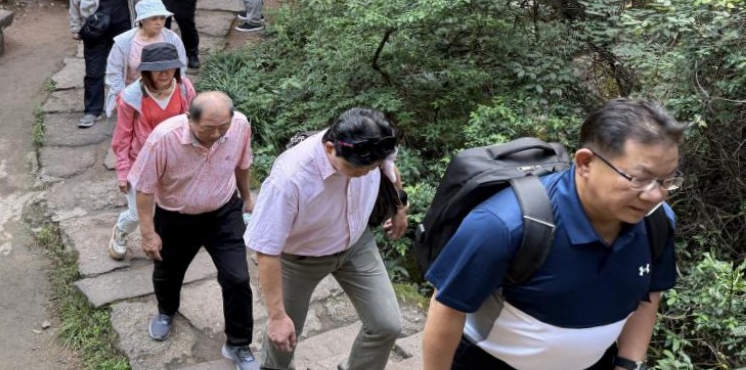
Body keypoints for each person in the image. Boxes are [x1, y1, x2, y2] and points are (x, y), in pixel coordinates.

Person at [421, 99, 684, 370]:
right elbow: (448, 308)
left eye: (667, 181)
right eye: (639, 179)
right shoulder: (503, 225)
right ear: (585, 163)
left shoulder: (656, 222)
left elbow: (649, 295)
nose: (655, 195)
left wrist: (628, 364)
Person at [245, 108, 408, 370]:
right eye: (356, 170)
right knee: (284, 336)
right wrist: (276, 316)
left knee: (387, 325)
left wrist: (400, 207)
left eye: (371, 169)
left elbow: (389, 169)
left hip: (357, 245)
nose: (365, 174)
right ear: (330, 148)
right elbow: (266, 249)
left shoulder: (376, 146)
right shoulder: (289, 178)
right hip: (300, 259)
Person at [130, 91, 259, 370]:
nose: (216, 135)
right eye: (208, 129)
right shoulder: (164, 139)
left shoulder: (239, 126)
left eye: (222, 128)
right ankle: (166, 311)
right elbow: (143, 187)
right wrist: (147, 232)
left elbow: (242, 163)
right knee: (167, 272)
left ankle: (238, 343)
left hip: (224, 212)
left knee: (237, 279)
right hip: (176, 217)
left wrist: (246, 197)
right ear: (190, 119)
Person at [107, 42, 197, 261]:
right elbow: (122, 137)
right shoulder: (131, 97)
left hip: (174, 160)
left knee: (171, 207)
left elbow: (194, 124)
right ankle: (120, 231)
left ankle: (163, 240)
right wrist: (122, 171)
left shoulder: (185, 88)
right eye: (158, 68)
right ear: (146, 70)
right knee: (137, 212)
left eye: (170, 67)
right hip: (142, 161)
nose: (165, 73)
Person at [69, 0, 143, 128]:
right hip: (95, 33)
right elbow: (74, 4)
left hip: (124, 33)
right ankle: (92, 110)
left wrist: (143, 26)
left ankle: (130, 106)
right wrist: (75, 28)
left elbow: (139, 2)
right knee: (94, 72)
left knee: (130, 71)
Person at [104, 0, 188, 113]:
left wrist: (178, 90)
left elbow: (181, 67)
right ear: (142, 20)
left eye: (162, 18)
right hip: (134, 94)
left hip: (165, 93)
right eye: (154, 18)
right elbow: (114, 72)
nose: (159, 22)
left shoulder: (172, 38)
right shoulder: (124, 42)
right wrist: (122, 97)